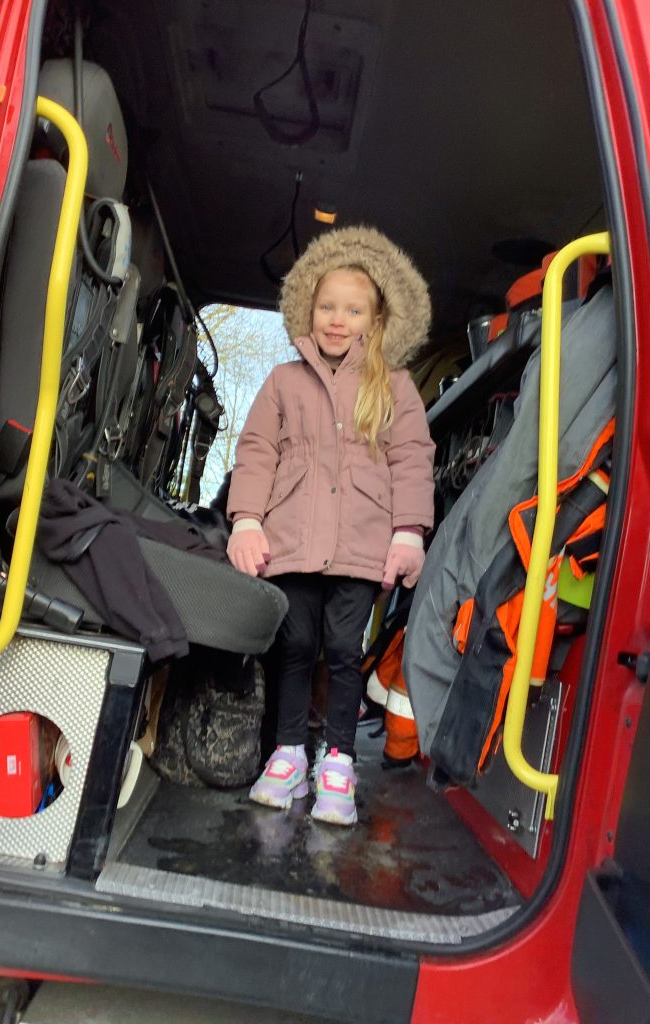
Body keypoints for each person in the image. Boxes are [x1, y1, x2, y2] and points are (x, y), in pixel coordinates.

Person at [226, 225, 435, 825]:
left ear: (376, 320)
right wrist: (246, 521)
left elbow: (412, 459)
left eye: (352, 310)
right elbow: (257, 451)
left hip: (361, 548)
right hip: (291, 544)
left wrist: (408, 531)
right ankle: (289, 754)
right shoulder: (283, 382)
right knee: (293, 646)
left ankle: (338, 760)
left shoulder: (394, 387)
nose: (337, 320)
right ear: (308, 312)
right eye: (326, 307)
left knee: (345, 651)